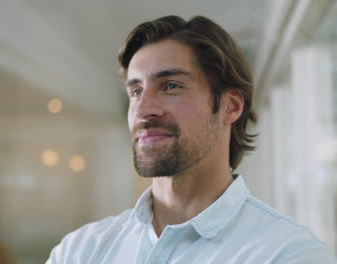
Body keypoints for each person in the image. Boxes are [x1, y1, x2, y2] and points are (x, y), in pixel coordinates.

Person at [46, 15, 336, 263]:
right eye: (136, 91)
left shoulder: (288, 255)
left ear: (230, 106)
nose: (144, 110)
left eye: (171, 86)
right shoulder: (80, 251)